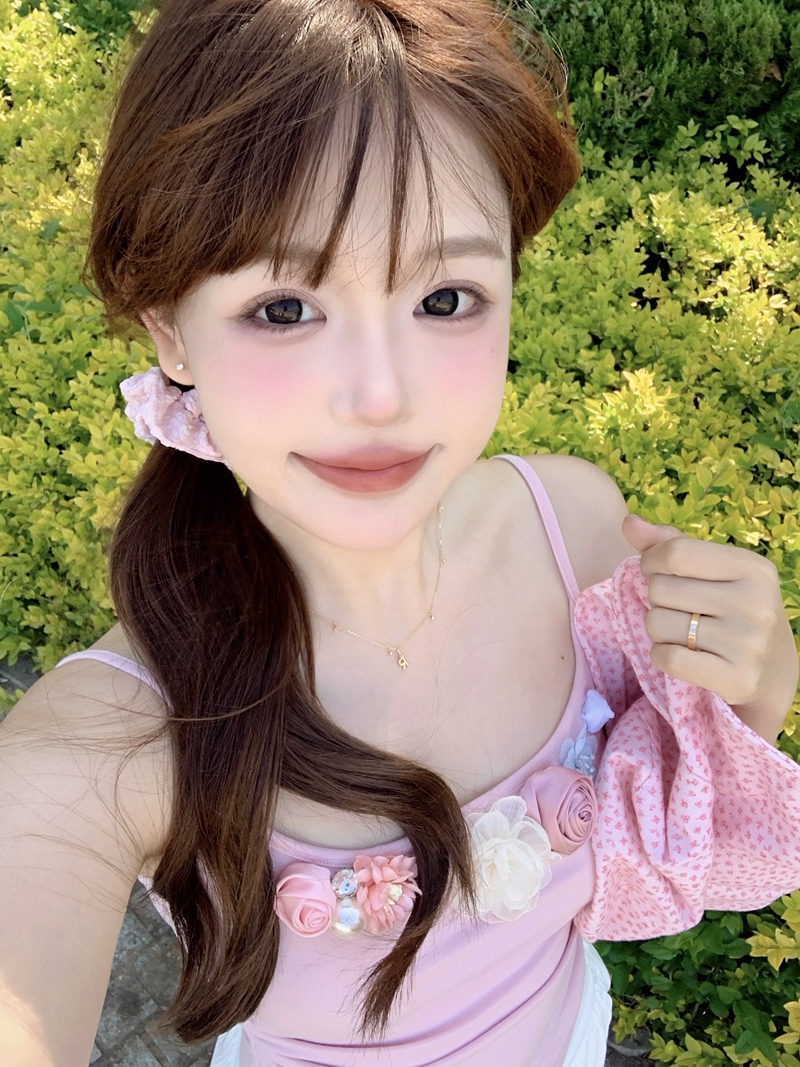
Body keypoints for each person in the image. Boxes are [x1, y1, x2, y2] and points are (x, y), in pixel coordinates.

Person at [1, 1, 799, 1065]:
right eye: (284, 308)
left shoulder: (573, 526)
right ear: (168, 332)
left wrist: (750, 689)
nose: (380, 395)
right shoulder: (119, 740)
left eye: (447, 296)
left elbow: (647, 816)